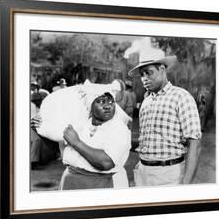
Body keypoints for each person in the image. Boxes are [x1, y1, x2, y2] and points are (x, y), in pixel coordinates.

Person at [128, 49, 202, 186]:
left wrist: (185, 185)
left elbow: (195, 144)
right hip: (142, 172)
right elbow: (149, 141)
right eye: (142, 74)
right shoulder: (146, 101)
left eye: (149, 73)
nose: (144, 78)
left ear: (162, 69)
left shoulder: (181, 97)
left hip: (169, 174)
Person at [32, 91, 131, 190]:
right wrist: (40, 131)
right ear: (90, 105)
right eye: (101, 101)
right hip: (72, 182)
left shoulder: (119, 128)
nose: (107, 106)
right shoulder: (81, 124)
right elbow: (60, 152)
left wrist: (76, 142)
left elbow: (106, 163)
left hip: (101, 184)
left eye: (111, 102)